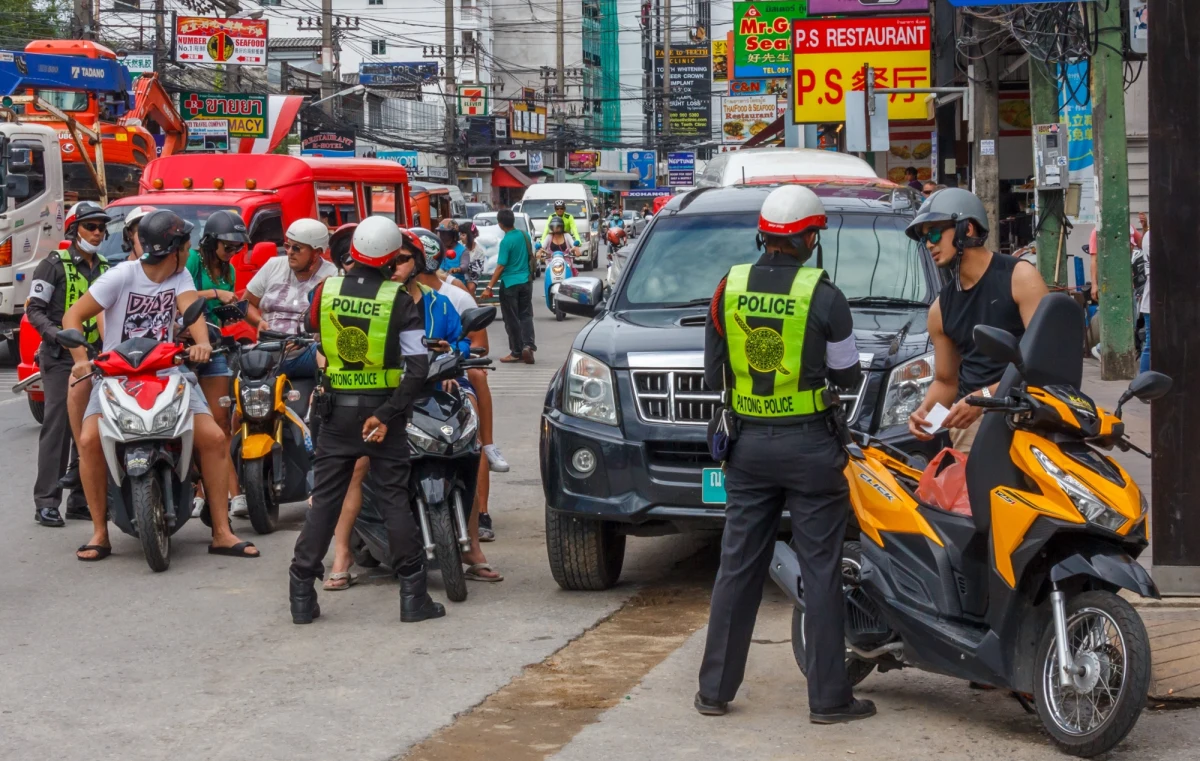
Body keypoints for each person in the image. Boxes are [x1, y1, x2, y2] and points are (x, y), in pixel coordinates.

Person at [697, 185, 872, 724]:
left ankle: (713, 692)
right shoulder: (825, 294)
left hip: (747, 448)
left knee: (737, 566)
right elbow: (848, 374)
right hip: (812, 450)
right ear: (810, 238)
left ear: (764, 237)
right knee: (820, 569)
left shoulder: (729, 289)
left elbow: (712, 373)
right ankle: (828, 700)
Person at [62, 210, 260, 561]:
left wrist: (202, 343)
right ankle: (99, 533)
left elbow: (191, 312)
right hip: (116, 375)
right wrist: (80, 358)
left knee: (213, 438)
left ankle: (222, 532)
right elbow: (73, 316)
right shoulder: (121, 276)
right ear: (175, 250)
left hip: (168, 372)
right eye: (186, 246)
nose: (189, 252)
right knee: (90, 441)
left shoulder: (181, 276)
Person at [322, 230, 504, 590]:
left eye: (403, 259)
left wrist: (454, 359)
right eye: (390, 259)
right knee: (358, 464)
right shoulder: (373, 302)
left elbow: (463, 341)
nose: (395, 265)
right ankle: (341, 552)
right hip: (384, 400)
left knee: (469, 449)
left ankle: (472, 547)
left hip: (439, 388)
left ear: (417, 262)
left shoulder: (440, 304)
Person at [289, 216, 439, 625]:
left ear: (352, 252)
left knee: (325, 501)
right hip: (382, 418)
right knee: (394, 499)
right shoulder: (400, 300)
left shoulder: (327, 289)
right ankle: (413, 597)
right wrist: (387, 415)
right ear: (392, 259)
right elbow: (417, 368)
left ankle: (302, 593)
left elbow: (309, 327)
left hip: (336, 414)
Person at [905, 188, 1048, 453]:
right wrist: (926, 412)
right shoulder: (940, 308)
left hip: (1026, 411)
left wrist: (983, 397)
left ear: (966, 228)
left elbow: (1044, 361)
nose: (929, 244)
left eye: (934, 233)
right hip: (971, 425)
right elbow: (946, 382)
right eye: (924, 238)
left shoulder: (1019, 278)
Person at [27, 202, 110, 526]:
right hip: (61, 359)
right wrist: (59, 335)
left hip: (97, 359)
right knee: (59, 428)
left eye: (102, 227)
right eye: (91, 226)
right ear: (75, 229)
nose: (98, 233)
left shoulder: (105, 267)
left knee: (91, 430)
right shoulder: (53, 265)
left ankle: (80, 500)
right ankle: (47, 501)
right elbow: (34, 310)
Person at [186, 210, 248, 518]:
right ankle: (201, 490)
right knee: (198, 426)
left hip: (216, 345)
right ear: (211, 242)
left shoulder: (230, 271)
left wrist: (231, 308)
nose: (232, 252)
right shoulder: (194, 261)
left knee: (222, 423)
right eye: (227, 246)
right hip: (188, 347)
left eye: (237, 247)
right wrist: (214, 293)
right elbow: (179, 296)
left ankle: (228, 491)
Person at [245, 219, 338, 379]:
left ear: (316, 253)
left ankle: (322, 394)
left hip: (308, 351)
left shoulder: (333, 275)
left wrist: (310, 338)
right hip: (268, 350)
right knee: (237, 363)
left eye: (297, 248)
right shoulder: (273, 265)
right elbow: (246, 304)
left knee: (329, 352)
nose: (289, 252)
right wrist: (259, 321)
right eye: (287, 246)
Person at [482, 209, 536, 365]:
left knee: (511, 318)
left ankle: (516, 352)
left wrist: (489, 287)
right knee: (526, 315)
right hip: (526, 281)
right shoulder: (524, 235)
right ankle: (528, 346)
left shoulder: (506, 241)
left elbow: (500, 266)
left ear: (500, 224)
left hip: (510, 285)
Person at [437, 219, 469, 285]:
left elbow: (464, 266)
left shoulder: (463, 250)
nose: (443, 237)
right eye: (441, 233)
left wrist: (457, 269)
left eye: (446, 234)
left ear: (454, 235)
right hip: (440, 285)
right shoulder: (438, 248)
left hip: (456, 286)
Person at [1139, 223, 1151, 375]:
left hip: (1153, 301)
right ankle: (1143, 387)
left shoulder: (1148, 236)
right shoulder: (1152, 236)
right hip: (1154, 301)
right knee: (1151, 344)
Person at [460, 221, 485, 286]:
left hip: (470, 279)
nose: (461, 237)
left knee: (470, 287)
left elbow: (477, 273)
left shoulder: (479, 252)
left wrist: (464, 267)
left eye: (463, 235)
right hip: (457, 276)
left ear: (471, 236)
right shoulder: (459, 246)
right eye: (460, 234)